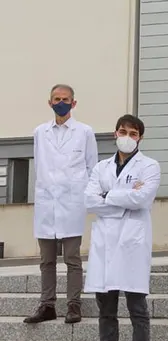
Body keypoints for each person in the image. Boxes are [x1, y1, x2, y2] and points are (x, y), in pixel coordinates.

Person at [79, 115, 161, 341]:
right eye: (123, 131)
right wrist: (123, 195)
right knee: (106, 309)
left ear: (140, 137)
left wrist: (107, 196)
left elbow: (142, 199)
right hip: (105, 244)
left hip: (132, 244)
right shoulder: (101, 167)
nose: (127, 136)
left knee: (137, 309)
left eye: (134, 133)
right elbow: (89, 200)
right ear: (115, 133)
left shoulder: (149, 166)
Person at [25, 84, 98, 325]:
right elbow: (41, 165)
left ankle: (73, 305)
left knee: (72, 258)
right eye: (56, 99)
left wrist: (86, 195)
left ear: (74, 103)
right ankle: (47, 305)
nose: (61, 102)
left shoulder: (85, 132)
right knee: (46, 259)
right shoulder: (40, 132)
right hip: (47, 202)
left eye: (65, 99)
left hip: (72, 202)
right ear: (50, 102)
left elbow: (91, 167)